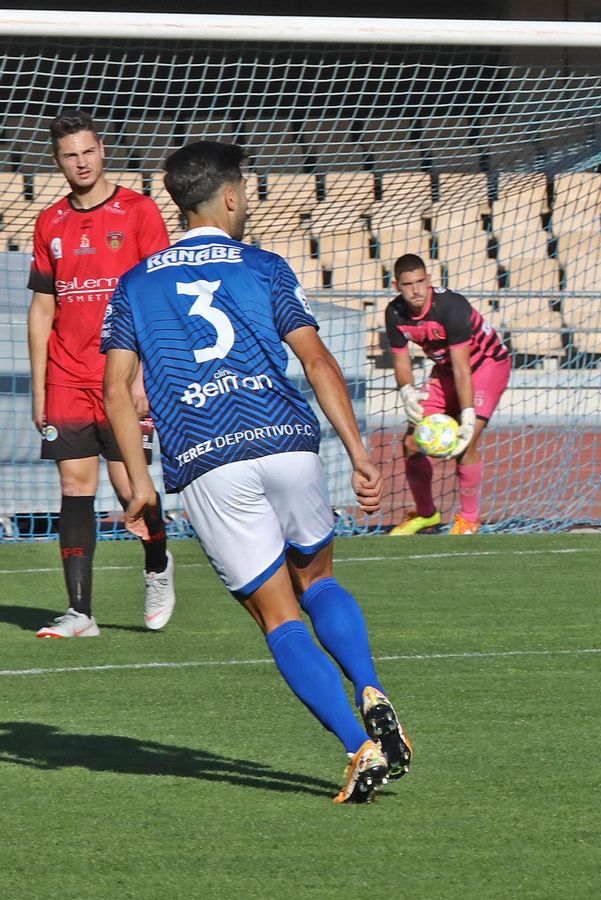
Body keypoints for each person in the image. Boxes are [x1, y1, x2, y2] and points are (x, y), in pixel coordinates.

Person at [101, 140, 412, 804]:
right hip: (287, 441)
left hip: (209, 457)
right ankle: (368, 684)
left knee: (276, 616)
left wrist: (140, 484)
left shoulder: (135, 283)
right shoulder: (265, 266)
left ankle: (359, 749)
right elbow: (319, 363)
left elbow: (116, 389)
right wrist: (358, 453)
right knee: (319, 579)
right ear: (232, 197)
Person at [26, 109, 175, 637]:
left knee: (129, 483)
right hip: (66, 372)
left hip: (121, 370)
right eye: (69, 154)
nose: (80, 161)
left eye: (87, 151)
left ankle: (157, 565)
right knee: (74, 484)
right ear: (57, 160)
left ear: (102, 149)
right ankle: (80, 612)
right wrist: (40, 385)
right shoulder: (50, 222)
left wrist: (143, 378)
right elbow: (43, 308)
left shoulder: (139, 212)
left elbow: (158, 298)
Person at [383, 255, 512, 536]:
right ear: (396, 286)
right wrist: (407, 391)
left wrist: (466, 414)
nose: (416, 290)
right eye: (408, 284)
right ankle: (427, 515)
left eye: (420, 282)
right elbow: (402, 362)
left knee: (465, 444)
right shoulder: (394, 314)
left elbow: (464, 369)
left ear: (429, 280)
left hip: (486, 366)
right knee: (410, 443)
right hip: (446, 370)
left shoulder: (451, 307)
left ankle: (468, 519)